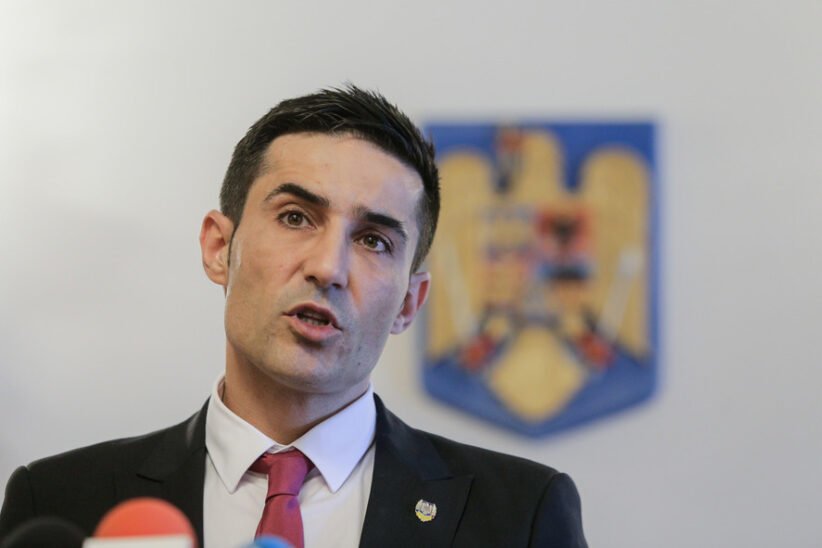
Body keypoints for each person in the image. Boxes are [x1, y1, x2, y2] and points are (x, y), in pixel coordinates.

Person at [0, 86, 587, 547]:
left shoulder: (521, 514)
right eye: (296, 217)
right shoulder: (57, 504)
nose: (328, 267)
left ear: (410, 302)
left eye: (374, 241)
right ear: (217, 248)